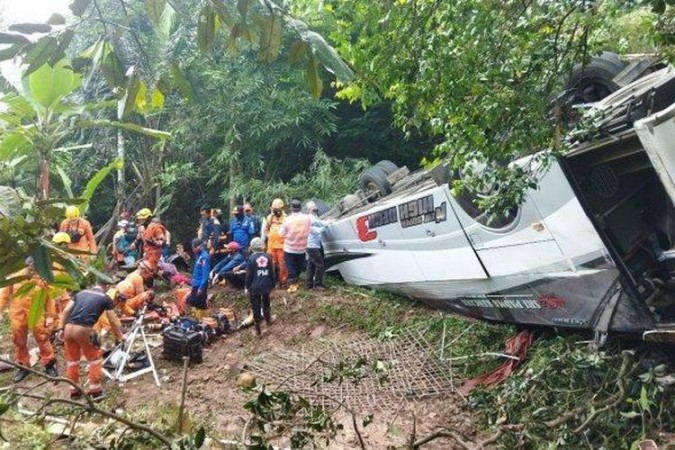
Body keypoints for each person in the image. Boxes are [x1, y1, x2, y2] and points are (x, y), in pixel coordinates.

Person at [60, 283, 125, 399]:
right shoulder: (105, 298)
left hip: (68, 328)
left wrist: (61, 328)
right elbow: (112, 320)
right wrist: (119, 336)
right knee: (94, 359)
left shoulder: (80, 294)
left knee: (72, 361)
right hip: (84, 329)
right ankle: (95, 391)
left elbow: (66, 311)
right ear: (104, 288)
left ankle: (74, 391)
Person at [0, 257, 58, 382]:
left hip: (36, 313)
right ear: (27, 265)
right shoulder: (15, 277)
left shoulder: (43, 278)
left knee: (42, 337)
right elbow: (4, 296)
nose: (33, 270)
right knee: (18, 340)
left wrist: (50, 316)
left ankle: (49, 364)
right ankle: (23, 365)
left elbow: (50, 299)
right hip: (17, 314)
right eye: (32, 267)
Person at [279, 198, 312, 293]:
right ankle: (295, 282)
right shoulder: (307, 218)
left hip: (290, 248)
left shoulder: (288, 219)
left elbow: (281, 233)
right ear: (301, 208)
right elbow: (310, 229)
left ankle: (293, 285)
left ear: (291, 208)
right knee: (298, 266)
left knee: (291, 267)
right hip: (302, 248)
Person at [245, 237, 276, 337]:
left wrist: (247, 286)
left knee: (256, 306)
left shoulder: (251, 258)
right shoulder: (268, 257)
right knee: (266, 302)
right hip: (266, 285)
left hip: (254, 287)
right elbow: (272, 271)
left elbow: (249, 275)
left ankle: (258, 330)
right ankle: (268, 319)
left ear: (252, 247)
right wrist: (273, 283)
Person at [263, 198, 288, 287]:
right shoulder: (270, 217)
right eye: (274, 209)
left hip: (281, 246)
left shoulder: (286, 218)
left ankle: (283, 282)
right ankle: (271, 281)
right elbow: (266, 229)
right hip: (271, 245)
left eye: (277, 209)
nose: (276, 211)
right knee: (271, 263)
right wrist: (269, 235)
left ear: (281, 208)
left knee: (282, 264)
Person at [305, 201, 329, 290]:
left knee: (311, 265)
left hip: (314, 245)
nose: (315, 207)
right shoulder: (310, 218)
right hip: (312, 246)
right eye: (314, 206)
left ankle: (309, 283)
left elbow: (319, 223)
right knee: (320, 265)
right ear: (310, 209)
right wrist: (326, 225)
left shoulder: (314, 216)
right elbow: (316, 229)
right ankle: (317, 284)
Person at [188, 238, 211, 320]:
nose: (193, 249)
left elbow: (205, 275)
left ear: (200, 246)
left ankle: (202, 320)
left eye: (194, 247)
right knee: (192, 301)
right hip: (195, 283)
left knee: (200, 303)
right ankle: (195, 319)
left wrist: (201, 287)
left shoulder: (204, 257)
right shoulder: (197, 256)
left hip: (201, 284)